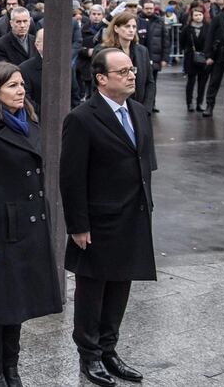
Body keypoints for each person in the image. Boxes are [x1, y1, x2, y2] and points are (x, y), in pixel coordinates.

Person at [0, 62, 62, 387]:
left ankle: (12, 369)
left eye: (21, 85)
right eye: (12, 86)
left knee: (17, 302)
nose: (20, 91)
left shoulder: (28, 121)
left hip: (27, 228)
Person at [61, 48, 157, 387]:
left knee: (121, 286)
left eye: (132, 69)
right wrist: (78, 225)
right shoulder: (82, 118)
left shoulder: (139, 112)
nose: (132, 75)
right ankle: (89, 355)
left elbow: (145, 163)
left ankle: (109, 349)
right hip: (98, 222)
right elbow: (71, 178)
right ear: (101, 78)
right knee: (93, 290)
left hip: (133, 217)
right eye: (123, 72)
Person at [95, 12, 155, 106]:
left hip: (139, 108)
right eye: (127, 26)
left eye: (134, 27)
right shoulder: (103, 51)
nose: (131, 30)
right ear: (116, 28)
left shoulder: (142, 51)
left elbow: (150, 82)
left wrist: (146, 109)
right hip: (112, 107)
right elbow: (97, 84)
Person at [136, 1, 166, 112]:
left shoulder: (159, 21)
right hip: (141, 57)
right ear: (143, 8)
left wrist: (164, 58)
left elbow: (165, 40)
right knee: (140, 81)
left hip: (155, 57)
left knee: (152, 82)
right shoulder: (138, 20)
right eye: (147, 8)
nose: (149, 10)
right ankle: (140, 103)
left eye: (151, 8)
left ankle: (151, 104)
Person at [180, 8, 211, 112]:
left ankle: (199, 103)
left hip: (204, 58)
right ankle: (189, 103)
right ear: (192, 16)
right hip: (191, 58)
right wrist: (188, 51)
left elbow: (211, 42)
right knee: (191, 82)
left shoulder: (208, 27)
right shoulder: (187, 28)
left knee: (202, 83)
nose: (198, 17)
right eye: (196, 15)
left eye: (200, 15)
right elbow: (182, 42)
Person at [19, 29, 45, 113]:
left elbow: (75, 93)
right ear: (37, 45)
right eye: (46, 41)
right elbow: (26, 98)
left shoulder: (66, 65)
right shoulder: (25, 68)